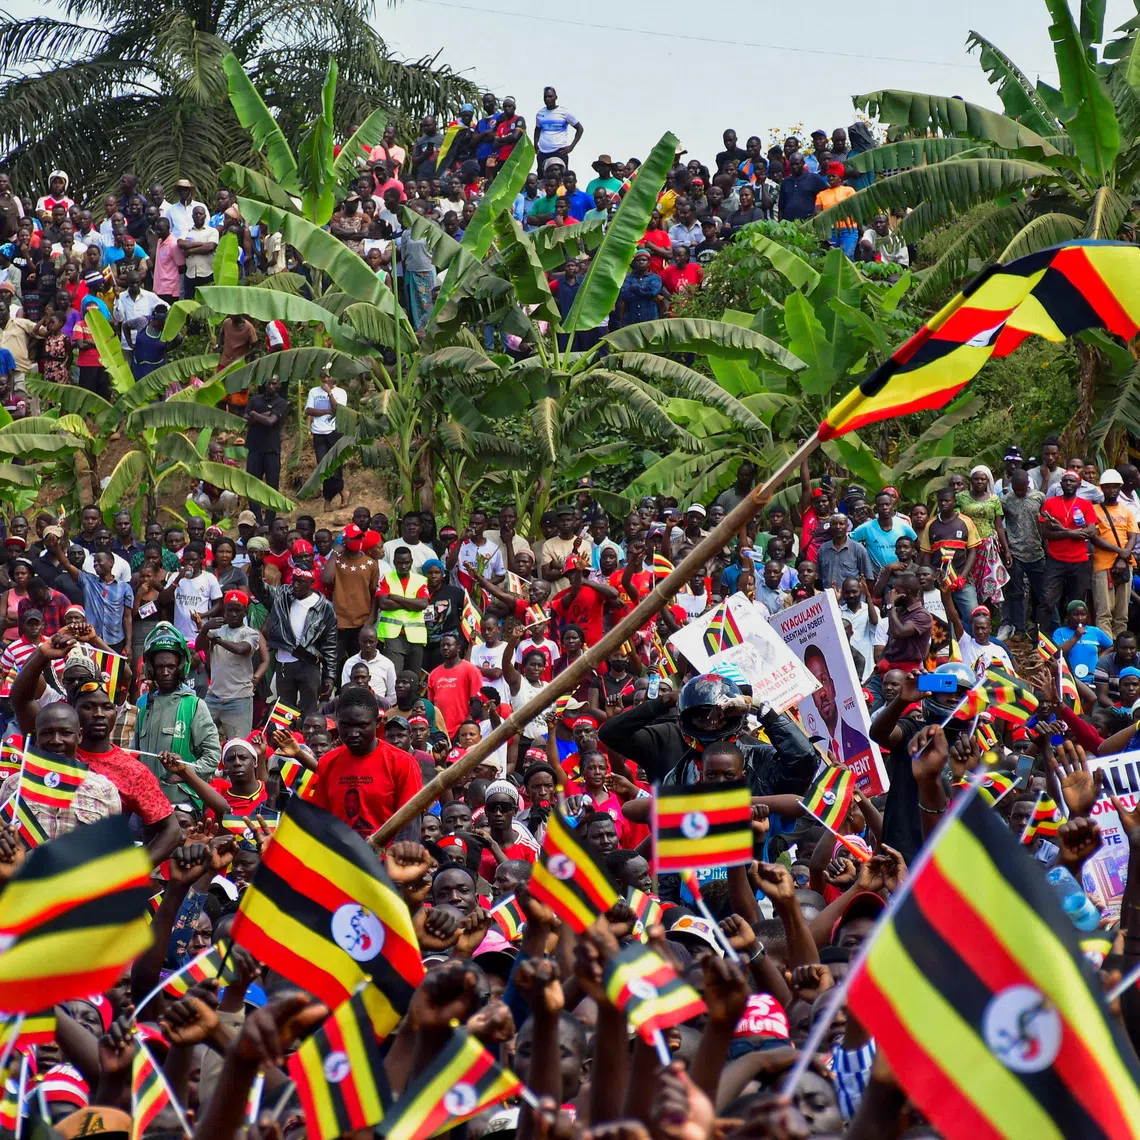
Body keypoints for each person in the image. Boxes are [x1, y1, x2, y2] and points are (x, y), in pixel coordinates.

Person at [307, 685, 422, 836]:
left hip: (386, 857)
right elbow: (319, 819)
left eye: (362, 725)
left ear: (377, 722)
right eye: (346, 726)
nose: (353, 733)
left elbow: (410, 825)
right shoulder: (327, 763)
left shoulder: (403, 763)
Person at [131, 622, 222, 802]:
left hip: (182, 804)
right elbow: (136, 757)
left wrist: (185, 774)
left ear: (180, 668)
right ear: (151, 669)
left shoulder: (194, 705)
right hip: (149, 801)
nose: (165, 672)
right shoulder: (144, 708)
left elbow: (212, 756)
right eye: (159, 667)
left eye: (171, 666)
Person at [249, 563, 338, 718]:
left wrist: (329, 676)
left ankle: (307, 741)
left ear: (311, 583)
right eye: (294, 580)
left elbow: (330, 644)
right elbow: (258, 588)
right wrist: (256, 564)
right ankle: (284, 741)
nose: (295, 585)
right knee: (284, 713)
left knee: (309, 713)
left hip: (310, 664)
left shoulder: (324, 607)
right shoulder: (281, 596)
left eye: (300, 582)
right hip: (284, 663)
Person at [195, 589, 263, 740]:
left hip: (239, 698)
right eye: (229, 610)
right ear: (224, 611)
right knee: (198, 739)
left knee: (239, 743)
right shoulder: (216, 629)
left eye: (237, 610)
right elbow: (199, 646)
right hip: (214, 695)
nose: (233, 614)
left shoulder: (250, 633)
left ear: (245, 612)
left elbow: (241, 649)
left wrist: (216, 639)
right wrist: (205, 628)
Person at [1039, 468, 1096, 626]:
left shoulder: (1085, 504)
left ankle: (1075, 637)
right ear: (1060, 484)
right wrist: (1073, 533)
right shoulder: (1050, 503)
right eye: (1066, 480)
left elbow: (1091, 531)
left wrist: (1062, 530)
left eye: (1072, 481)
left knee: (1077, 604)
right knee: (1047, 600)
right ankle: (1045, 640)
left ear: (1079, 484)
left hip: (1080, 561)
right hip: (1055, 560)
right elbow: (1046, 533)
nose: (1069, 483)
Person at [1090, 468, 1137, 638]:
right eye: (1108, 487)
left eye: (1115, 487)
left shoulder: (1127, 511)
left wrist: (1124, 557)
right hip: (1102, 565)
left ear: (1120, 488)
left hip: (1125, 565)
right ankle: (1107, 649)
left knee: (1121, 612)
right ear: (1102, 488)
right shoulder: (1094, 510)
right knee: (1104, 611)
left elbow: (1132, 536)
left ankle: (1121, 649)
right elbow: (1094, 537)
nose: (1112, 490)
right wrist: (1121, 553)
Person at [376, 545, 430, 677]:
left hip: (415, 636)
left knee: (413, 678)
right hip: (393, 635)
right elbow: (383, 603)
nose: (404, 566)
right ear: (394, 562)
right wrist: (411, 603)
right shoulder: (386, 578)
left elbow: (423, 604)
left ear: (411, 562)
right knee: (393, 676)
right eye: (400, 563)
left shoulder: (420, 579)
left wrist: (396, 598)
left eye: (407, 562)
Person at [305, 372, 349, 508]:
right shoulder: (314, 392)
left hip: (334, 432)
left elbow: (337, 410)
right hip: (318, 432)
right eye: (323, 377)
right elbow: (309, 410)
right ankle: (342, 491)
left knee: (335, 467)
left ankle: (328, 500)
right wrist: (326, 412)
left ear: (334, 377)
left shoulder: (341, 393)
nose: (325, 379)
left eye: (328, 376)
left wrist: (329, 393)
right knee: (323, 467)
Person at [341, 624, 397, 703]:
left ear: (377, 641)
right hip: (353, 707)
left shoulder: (387, 664)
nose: (368, 645)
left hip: (379, 709)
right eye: (364, 642)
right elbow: (345, 690)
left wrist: (381, 707)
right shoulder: (350, 663)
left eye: (371, 642)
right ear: (359, 641)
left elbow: (392, 695)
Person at [534, 86, 583, 171]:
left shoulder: (564, 113)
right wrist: (535, 144)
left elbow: (579, 128)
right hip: (543, 152)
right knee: (542, 179)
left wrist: (571, 146)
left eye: (550, 96)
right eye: (545, 97)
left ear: (556, 97)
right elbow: (537, 129)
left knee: (561, 179)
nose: (548, 99)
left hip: (559, 151)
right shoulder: (540, 114)